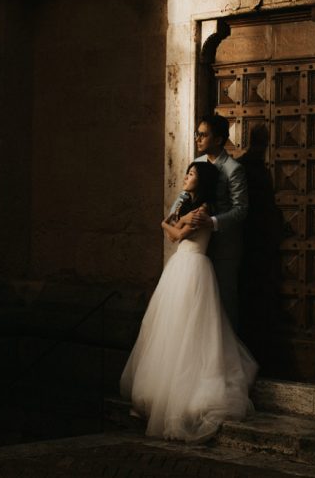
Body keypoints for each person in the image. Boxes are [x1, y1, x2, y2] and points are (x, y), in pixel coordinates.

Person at [120, 161, 257, 441]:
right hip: (180, 266)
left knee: (191, 330)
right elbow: (176, 229)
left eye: (191, 174)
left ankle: (183, 395)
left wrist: (166, 223)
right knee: (170, 328)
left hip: (194, 268)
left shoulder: (203, 210)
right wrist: (174, 221)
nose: (185, 177)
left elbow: (176, 234)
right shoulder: (189, 208)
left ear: (202, 181)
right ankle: (159, 392)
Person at [172, 115, 249, 328]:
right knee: (192, 307)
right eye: (197, 134)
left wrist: (212, 222)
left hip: (224, 249)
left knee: (223, 306)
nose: (197, 139)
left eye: (203, 135)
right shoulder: (196, 164)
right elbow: (182, 197)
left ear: (218, 139)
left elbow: (241, 209)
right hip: (195, 248)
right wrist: (180, 217)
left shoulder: (234, 169)